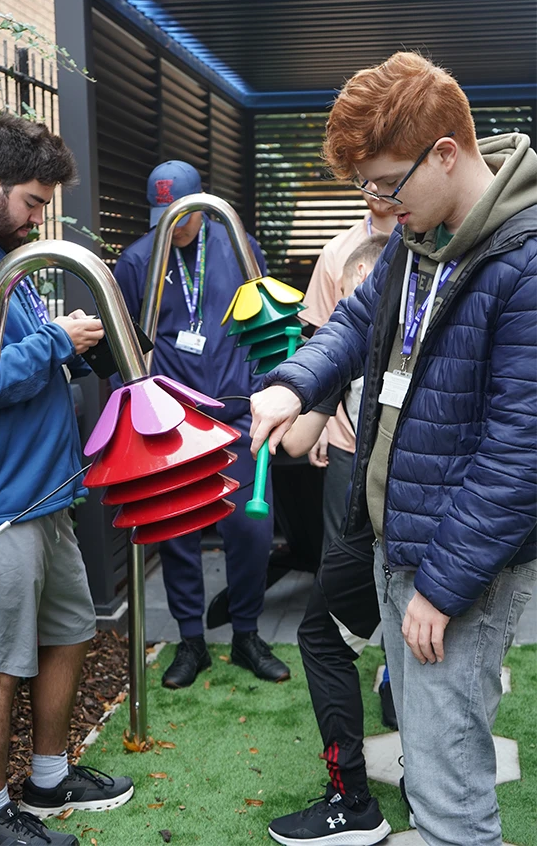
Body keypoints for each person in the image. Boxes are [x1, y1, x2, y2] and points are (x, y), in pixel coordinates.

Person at [250, 52, 536, 846]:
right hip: (395, 539)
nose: (376, 205)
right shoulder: (423, 236)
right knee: (429, 758)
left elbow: (520, 456)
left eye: (385, 183)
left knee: (450, 800)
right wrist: (290, 387)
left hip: (455, 566)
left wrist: (441, 589)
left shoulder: (525, 260)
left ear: (446, 152)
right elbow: (351, 326)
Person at [0, 115, 134, 846]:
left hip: (46, 497)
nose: (38, 219)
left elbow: (22, 353)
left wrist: (75, 353)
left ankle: (48, 777)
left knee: (71, 633)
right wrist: (56, 339)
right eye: (33, 202)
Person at [113, 160, 290, 688]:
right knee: (178, 536)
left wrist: (273, 392)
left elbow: (265, 320)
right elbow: (125, 346)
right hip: (172, 423)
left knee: (251, 530)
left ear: (200, 203)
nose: (174, 225)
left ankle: (246, 634)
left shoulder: (237, 245)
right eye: (163, 216)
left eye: (182, 215)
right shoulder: (138, 259)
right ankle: (191, 642)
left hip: (238, 415)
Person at [267, 235, 393, 846]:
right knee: (329, 634)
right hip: (363, 501)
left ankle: (359, 800)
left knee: (337, 638)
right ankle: (360, 794)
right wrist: (293, 396)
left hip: (406, 514)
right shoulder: (348, 360)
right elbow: (293, 440)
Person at [300, 194, 395, 551]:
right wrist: (318, 420)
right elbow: (321, 339)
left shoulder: (432, 243)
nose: (375, 187)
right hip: (344, 431)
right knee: (339, 544)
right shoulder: (336, 251)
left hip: (398, 440)